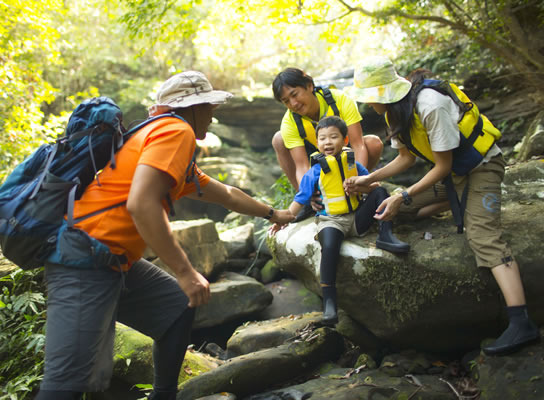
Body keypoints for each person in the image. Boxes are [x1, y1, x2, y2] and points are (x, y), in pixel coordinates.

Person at [35, 71, 294, 400]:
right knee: (64, 386)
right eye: (208, 106)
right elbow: (141, 203)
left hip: (111, 260)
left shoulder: (162, 139)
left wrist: (274, 214)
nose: (213, 115)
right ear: (192, 108)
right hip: (84, 260)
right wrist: (186, 272)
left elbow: (226, 194)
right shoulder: (175, 130)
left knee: (175, 308)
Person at [343, 56, 540, 355]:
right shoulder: (394, 111)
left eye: (370, 98)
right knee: (404, 210)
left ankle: (521, 322)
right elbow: (406, 158)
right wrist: (370, 178)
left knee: (483, 237)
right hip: (453, 177)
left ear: (385, 92)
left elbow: (443, 165)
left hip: (480, 168)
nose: (369, 105)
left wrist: (403, 194)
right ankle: (459, 200)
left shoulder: (429, 104)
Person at [272, 116, 409, 325]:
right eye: (322, 138)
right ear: (317, 144)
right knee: (329, 248)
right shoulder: (314, 171)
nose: (327, 143)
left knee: (381, 191)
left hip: (356, 218)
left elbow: (373, 185)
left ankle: (386, 235)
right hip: (331, 221)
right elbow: (300, 200)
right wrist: (283, 218)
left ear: (345, 141)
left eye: (333, 137)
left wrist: (360, 186)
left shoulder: (351, 162)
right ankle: (329, 302)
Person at [271, 68, 383, 202]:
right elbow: (302, 166)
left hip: (344, 154)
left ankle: (357, 188)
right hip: (316, 163)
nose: (293, 104)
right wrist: (307, 193)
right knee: (278, 138)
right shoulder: (289, 122)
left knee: (373, 143)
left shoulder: (340, 99)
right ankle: (306, 199)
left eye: (295, 94)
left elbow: (358, 145)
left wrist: (356, 180)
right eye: (286, 101)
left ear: (309, 86)